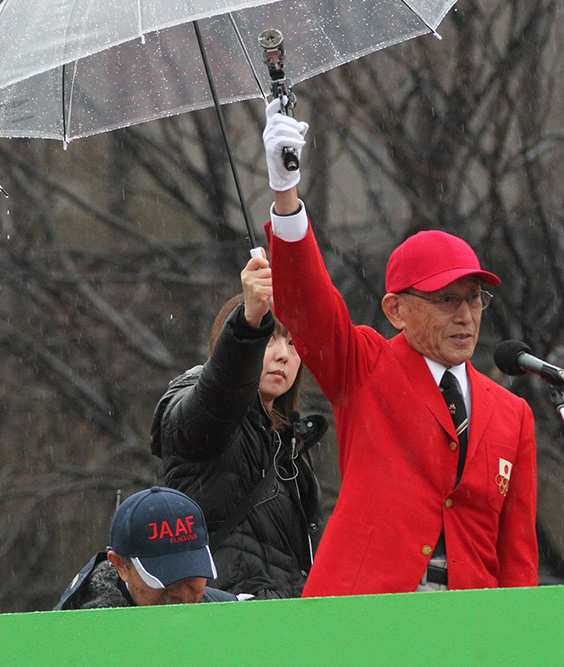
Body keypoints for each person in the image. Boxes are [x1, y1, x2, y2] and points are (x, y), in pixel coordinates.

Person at [258, 99, 538, 595]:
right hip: (370, 614)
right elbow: (307, 307)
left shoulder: (512, 413)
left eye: (474, 299)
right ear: (396, 310)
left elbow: (517, 556)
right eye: (446, 300)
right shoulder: (367, 366)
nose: (465, 315)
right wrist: (286, 195)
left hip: (470, 625)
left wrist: (520, 632)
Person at [149, 258, 328, 599]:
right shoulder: (202, 400)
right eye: (270, 339)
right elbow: (220, 393)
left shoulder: (289, 445)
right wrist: (248, 325)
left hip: (284, 618)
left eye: (293, 343)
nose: (284, 354)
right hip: (224, 615)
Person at [54, 487, 239, 609]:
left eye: (192, 573)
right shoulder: (70, 639)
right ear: (120, 566)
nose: (183, 594)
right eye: (167, 579)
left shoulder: (232, 614)